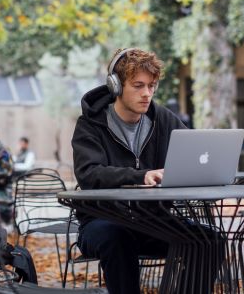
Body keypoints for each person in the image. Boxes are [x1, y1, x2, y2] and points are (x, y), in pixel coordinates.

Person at [71, 48, 187, 294]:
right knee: (117, 238)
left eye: (152, 86)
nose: (147, 94)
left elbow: (191, 154)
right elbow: (90, 174)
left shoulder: (164, 120)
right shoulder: (90, 125)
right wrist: (140, 175)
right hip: (102, 222)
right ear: (116, 86)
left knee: (209, 242)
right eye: (138, 85)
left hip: (153, 222)